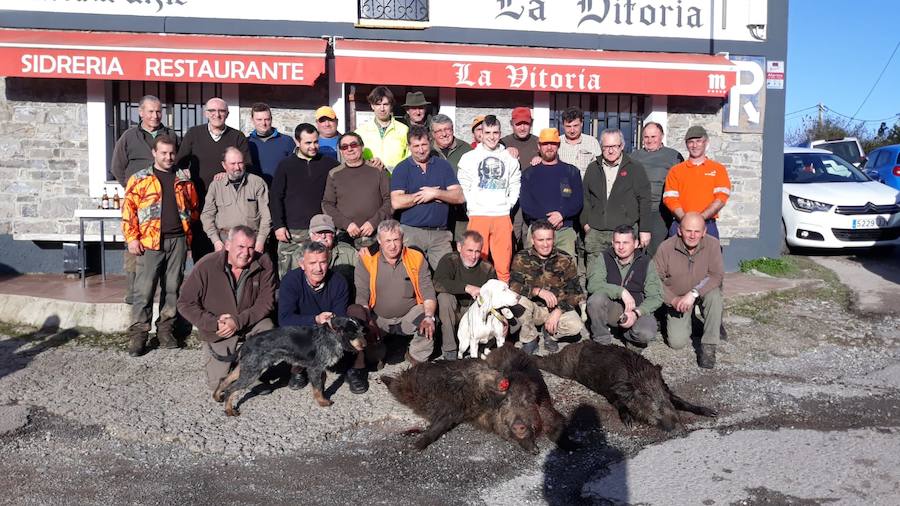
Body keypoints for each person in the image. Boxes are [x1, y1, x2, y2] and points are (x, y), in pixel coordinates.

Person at [122, 135, 199, 357]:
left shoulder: (183, 179)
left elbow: (193, 207)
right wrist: (132, 238)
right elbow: (129, 212)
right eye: (163, 153)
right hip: (149, 242)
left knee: (173, 288)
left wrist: (187, 234)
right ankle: (139, 334)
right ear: (154, 153)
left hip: (178, 240)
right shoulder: (139, 179)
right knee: (144, 290)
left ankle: (165, 330)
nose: (168, 157)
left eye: (171, 153)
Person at [177, 226, 276, 390]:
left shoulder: (264, 262)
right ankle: (229, 364)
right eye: (241, 247)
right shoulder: (206, 265)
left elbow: (266, 302)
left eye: (251, 247)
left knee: (267, 327)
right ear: (228, 245)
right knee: (217, 385)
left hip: (248, 323)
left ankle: (249, 371)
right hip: (219, 329)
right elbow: (185, 303)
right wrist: (213, 323)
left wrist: (237, 321)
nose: (246, 253)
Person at [110, 94, 177, 305]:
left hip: (166, 204)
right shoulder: (129, 136)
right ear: (141, 113)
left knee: (166, 259)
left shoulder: (171, 135)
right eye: (150, 111)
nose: (155, 115)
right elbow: (117, 167)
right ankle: (134, 298)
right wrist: (135, 190)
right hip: (140, 206)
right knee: (134, 250)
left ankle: (166, 302)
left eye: (158, 111)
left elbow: (177, 164)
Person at [278, 240, 368, 393]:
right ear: (302, 264)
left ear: (329, 261)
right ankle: (298, 368)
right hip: (304, 331)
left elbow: (340, 315)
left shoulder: (338, 281)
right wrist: (315, 319)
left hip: (330, 329)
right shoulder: (290, 281)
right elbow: (284, 319)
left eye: (323, 262)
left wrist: (330, 321)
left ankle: (355, 367)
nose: (318, 268)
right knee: (291, 332)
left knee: (356, 312)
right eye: (312, 263)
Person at [351, 220, 439, 366]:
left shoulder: (416, 258)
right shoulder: (367, 259)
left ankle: (416, 357)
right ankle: (378, 352)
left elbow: (428, 291)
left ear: (402, 239)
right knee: (372, 356)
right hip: (378, 318)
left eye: (396, 240)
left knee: (429, 321)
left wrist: (429, 316)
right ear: (379, 240)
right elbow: (361, 294)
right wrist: (369, 321)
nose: (392, 245)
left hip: (408, 315)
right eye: (388, 241)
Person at [177, 97, 252, 260]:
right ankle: (204, 280)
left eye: (221, 111)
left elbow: (246, 164)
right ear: (205, 113)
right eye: (212, 111)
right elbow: (180, 163)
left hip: (228, 201)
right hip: (200, 198)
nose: (217, 114)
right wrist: (184, 172)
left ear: (227, 113)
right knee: (201, 244)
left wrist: (229, 172)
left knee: (227, 246)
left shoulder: (237, 136)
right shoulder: (193, 134)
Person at [654, 213, 724, 369]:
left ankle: (709, 346)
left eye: (697, 231)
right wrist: (672, 300)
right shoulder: (666, 247)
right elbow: (653, 280)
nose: (692, 235)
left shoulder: (713, 245)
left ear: (704, 232)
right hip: (677, 299)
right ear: (679, 230)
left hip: (700, 292)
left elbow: (716, 275)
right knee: (677, 343)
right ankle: (684, 320)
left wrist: (693, 294)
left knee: (715, 296)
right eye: (688, 231)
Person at [390, 126, 465, 271]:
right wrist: (424, 196)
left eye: (424, 145)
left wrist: (436, 194)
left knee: (447, 276)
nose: (421, 150)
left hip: (440, 234)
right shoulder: (402, 168)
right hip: (411, 233)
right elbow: (397, 201)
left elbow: (459, 196)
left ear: (430, 143)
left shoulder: (443, 166)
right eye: (416, 146)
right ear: (409, 146)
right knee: (411, 276)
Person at [270, 123, 340, 279]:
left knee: (319, 275)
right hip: (292, 232)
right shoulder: (285, 165)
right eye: (308, 143)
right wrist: (279, 226)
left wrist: (371, 162)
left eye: (316, 142)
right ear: (297, 142)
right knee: (289, 277)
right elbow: (275, 197)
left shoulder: (329, 164)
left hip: (320, 231)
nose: (313, 146)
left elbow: (348, 173)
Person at [457, 115, 521, 283]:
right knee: (477, 261)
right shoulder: (469, 157)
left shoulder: (509, 158)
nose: (492, 136)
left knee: (503, 264)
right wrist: (472, 206)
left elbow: (515, 183)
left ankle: (502, 304)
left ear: (500, 133)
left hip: (502, 215)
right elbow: (464, 185)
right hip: (479, 215)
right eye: (487, 132)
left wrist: (509, 204)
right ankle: (478, 303)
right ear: (481, 134)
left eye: (495, 132)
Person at [508, 220, 585, 355]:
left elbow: (576, 292)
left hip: (556, 308)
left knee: (576, 326)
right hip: (533, 309)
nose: (545, 244)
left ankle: (551, 335)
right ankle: (530, 338)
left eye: (549, 239)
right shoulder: (521, 257)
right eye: (540, 240)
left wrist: (558, 311)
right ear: (532, 240)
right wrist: (536, 291)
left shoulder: (565, 259)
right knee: (517, 302)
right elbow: (513, 286)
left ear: (554, 239)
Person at [581, 128, 652, 272]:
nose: (611, 151)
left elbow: (644, 200)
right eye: (606, 147)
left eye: (615, 146)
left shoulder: (635, 168)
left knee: (624, 274)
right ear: (601, 147)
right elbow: (585, 198)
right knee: (595, 275)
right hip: (596, 233)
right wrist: (586, 224)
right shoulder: (593, 168)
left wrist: (645, 229)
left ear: (622, 146)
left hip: (625, 232)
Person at [585, 224, 663, 352]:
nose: (621, 247)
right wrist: (621, 292)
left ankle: (629, 336)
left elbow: (656, 297)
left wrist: (636, 313)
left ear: (636, 243)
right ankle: (601, 341)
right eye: (617, 242)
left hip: (636, 309)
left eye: (626, 242)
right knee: (595, 300)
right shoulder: (604, 257)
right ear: (612, 243)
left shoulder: (646, 262)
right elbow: (593, 284)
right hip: (613, 308)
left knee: (645, 333)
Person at [433, 230, 498, 361]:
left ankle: (481, 347)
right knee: (444, 298)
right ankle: (450, 349)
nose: (473, 256)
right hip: (454, 311)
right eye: (469, 250)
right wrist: (466, 288)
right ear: (459, 247)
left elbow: (494, 295)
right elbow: (438, 283)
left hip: (475, 314)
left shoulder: (487, 268)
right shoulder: (449, 260)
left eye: (477, 251)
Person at [321, 132, 392, 249]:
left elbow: (389, 200)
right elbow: (327, 204)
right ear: (341, 151)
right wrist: (346, 224)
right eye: (344, 147)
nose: (349, 149)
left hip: (376, 234)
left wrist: (373, 222)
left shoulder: (378, 171)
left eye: (353, 145)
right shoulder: (334, 174)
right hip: (346, 236)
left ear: (362, 147)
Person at [519, 128, 583, 257]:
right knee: (534, 271)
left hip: (564, 230)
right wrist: (548, 221)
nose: (549, 147)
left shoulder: (571, 172)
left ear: (558, 145)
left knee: (566, 271)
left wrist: (561, 215)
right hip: (537, 231)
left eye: (553, 143)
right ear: (539, 146)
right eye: (545, 144)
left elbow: (577, 201)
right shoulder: (529, 174)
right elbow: (526, 204)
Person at [662, 125, 732, 239]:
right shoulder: (676, 170)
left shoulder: (718, 169)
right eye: (691, 142)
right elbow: (669, 199)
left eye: (699, 141)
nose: (694, 145)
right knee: (676, 257)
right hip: (680, 224)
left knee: (709, 257)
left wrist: (700, 219)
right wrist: (686, 220)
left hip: (708, 225)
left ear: (706, 142)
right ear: (686, 144)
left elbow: (721, 198)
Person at [200, 147, 271, 254]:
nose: (237, 167)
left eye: (240, 163)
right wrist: (216, 241)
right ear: (224, 165)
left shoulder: (257, 183)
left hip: (252, 241)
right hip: (225, 241)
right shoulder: (216, 185)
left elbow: (267, 215)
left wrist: (260, 241)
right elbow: (207, 216)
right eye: (232, 163)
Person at [629, 122, 685, 255]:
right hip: (636, 210)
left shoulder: (673, 156)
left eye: (654, 136)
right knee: (634, 247)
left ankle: (653, 274)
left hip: (659, 210)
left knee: (655, 249)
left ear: (662, 136)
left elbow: (682, 183)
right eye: (646, 137)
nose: (650, 140)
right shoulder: (634, 157)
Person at [430, 114, 474, 241]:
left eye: (447, 129)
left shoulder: (466, 149)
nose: (444, 134)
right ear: (433, 134)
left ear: (453, 129)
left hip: (462, 210)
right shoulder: (428, 151)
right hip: (437, 209)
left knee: (463, 243)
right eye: (439, 131)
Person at [502, 107, 541, 246]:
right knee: (512, 235)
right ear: (511, 124)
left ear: (531, 123)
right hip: (512, 200)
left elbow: (553, 161)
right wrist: (504, 151)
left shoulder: (540, 143)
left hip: (534, 198)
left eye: (526, 123)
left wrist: (543, 158)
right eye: (518, 124)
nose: (523, 127)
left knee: (531, 237)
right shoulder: (503, 142)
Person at [355, 86, 409, 172]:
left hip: (396, 181)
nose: (382, 109)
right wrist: (368, 163)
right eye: (378, 104)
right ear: (372, 106)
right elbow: (355, 158)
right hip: (369, 180)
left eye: (385, 104)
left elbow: (409, 158)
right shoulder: (360, 132)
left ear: (391, 106)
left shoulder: (404, 130)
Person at [246, 102, 296, 186]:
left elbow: (295, 168)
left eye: (267, 119)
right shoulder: (247, 142)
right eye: (259, 120)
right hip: (255, 193)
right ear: (252, 120)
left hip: (281, 191)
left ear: (271, 119)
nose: (263, 123)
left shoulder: (287, 141)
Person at [307, 214, 359, 287]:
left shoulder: (350, 253)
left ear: (334, 234)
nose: (323, 236)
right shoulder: (299, 255)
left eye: (327, 232)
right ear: (311, 235)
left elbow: (361, 280)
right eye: (319, 232)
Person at [556, 106, 602, 179]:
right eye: (568, 126)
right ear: (563, 125)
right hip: (561, 187)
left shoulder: (592, 142)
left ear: (582, 123)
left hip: (584, 188)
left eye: (575, 126)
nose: (572, 130)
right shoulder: (556, 142)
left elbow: (600, 168)